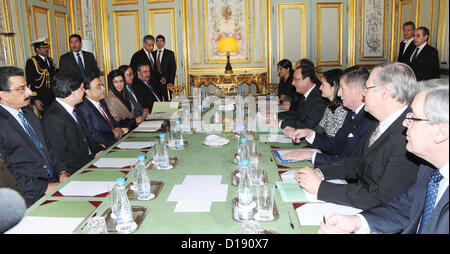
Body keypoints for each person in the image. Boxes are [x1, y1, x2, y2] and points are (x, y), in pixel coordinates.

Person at [319, 80, 448, 234]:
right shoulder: (429, 170)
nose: (405, 123)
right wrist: (358, 221)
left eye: (413, 118)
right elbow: (406, 208)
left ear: (440, 131)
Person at [294, 62, 421, 210]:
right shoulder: (379, 122)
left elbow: (380, 197)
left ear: (385, 92)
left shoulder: (408, 135)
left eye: (367, 88)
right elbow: (356, 162)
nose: (363, 93)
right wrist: (320, 173)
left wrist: (321, 188)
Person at [0, 66, 69, 205]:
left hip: (54, 183)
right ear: (3, 95)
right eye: (21, 89)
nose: (30, 93)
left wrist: (62, 171)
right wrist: (44, 188)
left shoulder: (29, 114)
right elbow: (7, 171)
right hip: (28, 197)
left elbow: (47, 148)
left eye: (27, 87)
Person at [283, 67, 376, 167]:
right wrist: (309, 134)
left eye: (342, 88)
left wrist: (310, 156)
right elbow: (336, 145)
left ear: (357, 91)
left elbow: (350, 163)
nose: (339, 94)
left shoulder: (368, 119)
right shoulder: (351, 114)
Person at [41, 72, 104, 175]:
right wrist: (92, 161)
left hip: (89, 163)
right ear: (72, 91)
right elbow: (62, 156)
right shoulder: (52, 119)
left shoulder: (75, 109)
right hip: (75, 171)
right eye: (82, 88)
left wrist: (100, 151)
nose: (84, 91)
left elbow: (88, 138)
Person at [269, 64, 328, 132]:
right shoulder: (306, 94)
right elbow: (297, 114)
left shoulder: (318, 99)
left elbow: (307, 125)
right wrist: (274, 116)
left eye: (296, 79)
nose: (293, 83)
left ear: (307, 80)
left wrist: (280, 123)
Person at [77, 76, 123, 148]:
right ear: (88, 92)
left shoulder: (102, 102)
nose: (104, 88)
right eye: (98, 86)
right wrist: (113, 135)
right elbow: (92, 134)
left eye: (102, 85)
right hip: (104, 146)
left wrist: (118, 129)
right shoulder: (84, 108)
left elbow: (111, 120)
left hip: (117, 140)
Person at [25, 37, 57, 115]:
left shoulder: (50, 60)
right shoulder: (32, 61)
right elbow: (31, 81)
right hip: (42, 98)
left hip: (54, 97)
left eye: (47, 47)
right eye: (44, 48)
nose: (47, 49)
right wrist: (35, 99)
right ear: (37, 49)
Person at [314, 68, 347, 137]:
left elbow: (333, 139)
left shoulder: (342, 110)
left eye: (323, 85)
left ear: (334, 86)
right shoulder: (330, 106)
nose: (320, 88)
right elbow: (319, 128)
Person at [153, 34, 176, 101]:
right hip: (156, 82)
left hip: (167, 82)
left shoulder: (170, 53)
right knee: (158, 101)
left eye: (161, 41)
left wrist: (171, 82)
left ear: (164, 43)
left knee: (168, 100)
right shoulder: (152, 54)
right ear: (156, 43)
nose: (159, 43)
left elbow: (173, 68)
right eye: (157, 41)